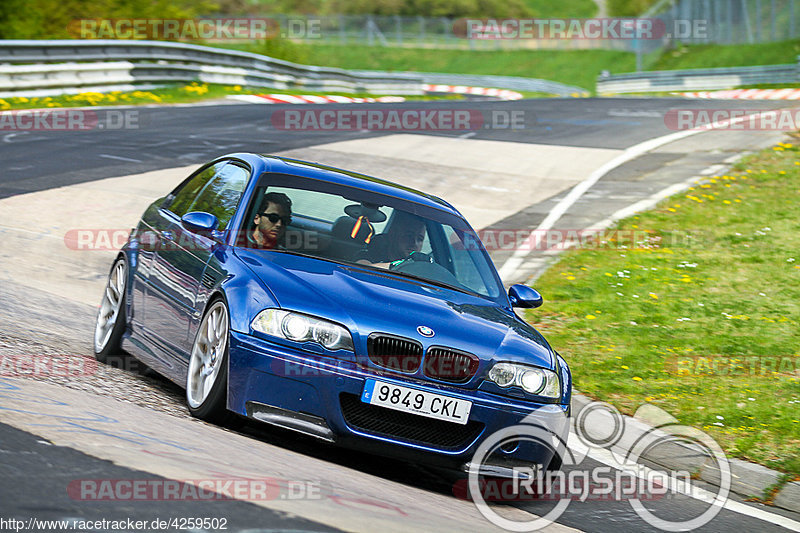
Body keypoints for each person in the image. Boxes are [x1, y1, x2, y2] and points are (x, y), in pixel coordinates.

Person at [358, 210, 427, 269]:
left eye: (420, 239)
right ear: (393, 233)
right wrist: (400, 265)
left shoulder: (420, 267)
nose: (414, 243)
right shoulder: (370, 254)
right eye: (409, 236)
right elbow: (362, 268)